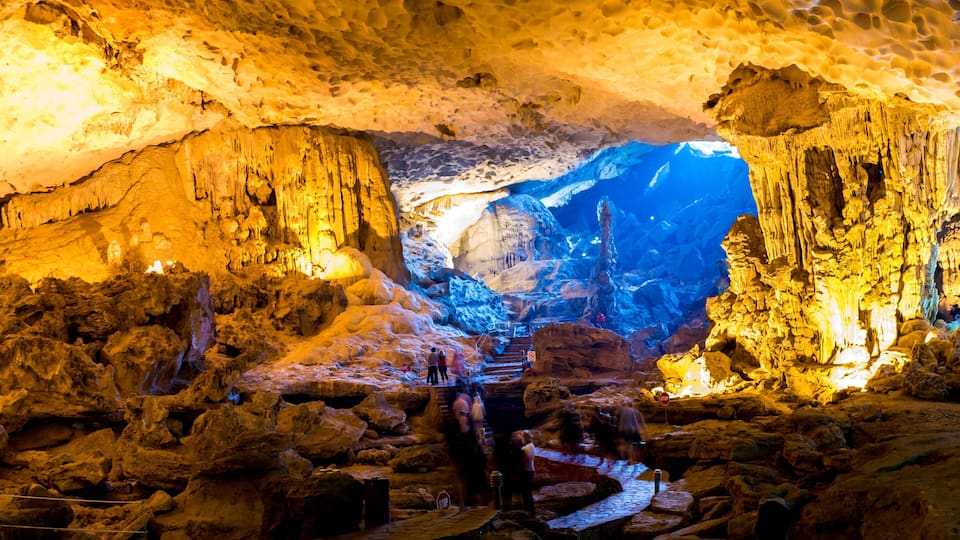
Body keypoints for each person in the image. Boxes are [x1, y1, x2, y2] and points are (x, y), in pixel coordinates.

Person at [519, 430, 536, 512]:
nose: (521, 439)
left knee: (526, 491)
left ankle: (529, 509)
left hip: (527, 471)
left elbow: (525, 459)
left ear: (526, 437)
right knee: (526, 491)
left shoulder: (528, 447)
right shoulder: (530, 446)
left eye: (522, 437)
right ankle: (529, 508)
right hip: (529, 470)